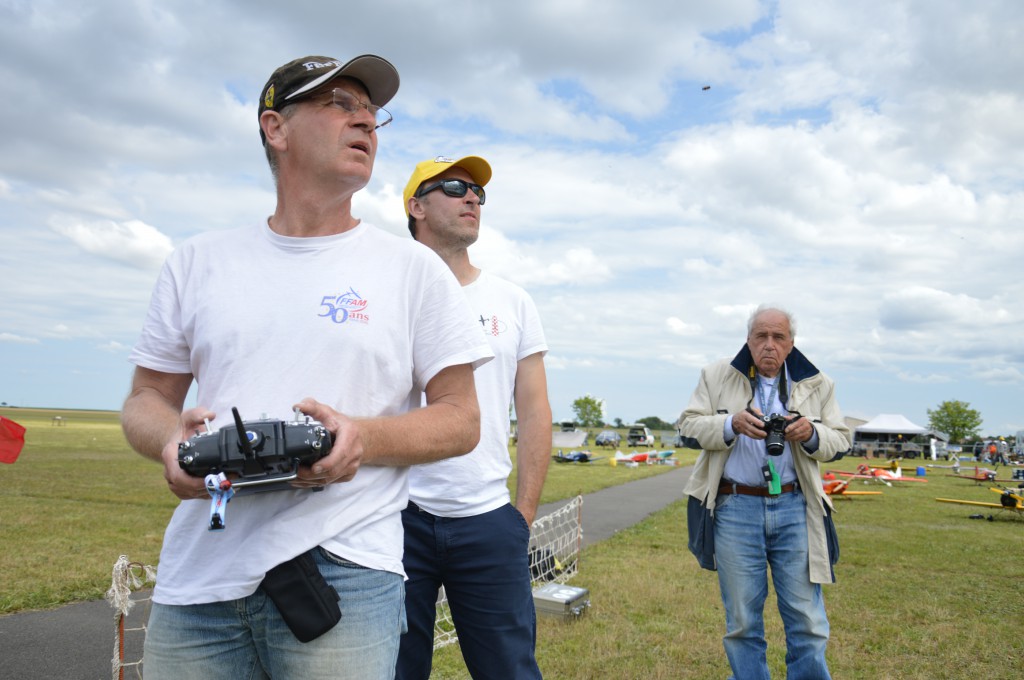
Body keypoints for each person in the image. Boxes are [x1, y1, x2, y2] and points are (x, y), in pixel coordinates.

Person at [120, 55, 493, 680]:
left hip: (346, 574)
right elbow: (144, 400)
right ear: (276, 127)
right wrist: (172, 443)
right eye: (341, 105)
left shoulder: (411, 269)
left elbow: (462, 419)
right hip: (199, 581)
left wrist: (362, 437)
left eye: (374, 113)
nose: (367, 123)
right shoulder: (197, 261)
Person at [395, 155, 552, 679]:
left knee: (509, 670)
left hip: (488, 521)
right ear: (416, 206)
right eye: (456, 187)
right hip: (394, 520)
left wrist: (520, 515)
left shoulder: (512, 300)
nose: (472, 199)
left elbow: (533, 412)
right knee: (392, 669)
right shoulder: (386, 292)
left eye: (479, 194)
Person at [678, 305, 851, 679]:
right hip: (735, 505)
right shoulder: (716, 375)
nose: (769, 345)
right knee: (741, 618)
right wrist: (730, 423)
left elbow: (840, 441)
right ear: (748, 340)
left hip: (794, 507)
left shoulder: (818, 383)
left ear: (791, 344)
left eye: (778, 337)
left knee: (807, 617)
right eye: (761, 336)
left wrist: (811, 433)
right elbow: (688, 428)